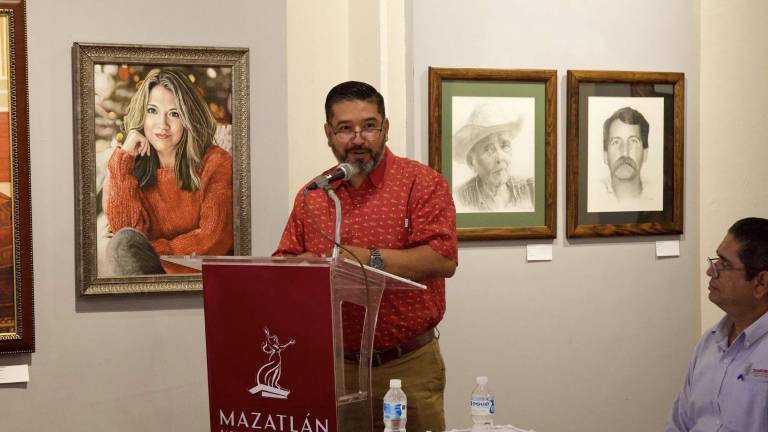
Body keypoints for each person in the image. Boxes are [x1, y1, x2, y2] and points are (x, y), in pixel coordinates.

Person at [274, 81, 458, 432]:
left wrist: (364, 259)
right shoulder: (314, 194)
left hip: (407, 365)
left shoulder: (421, 183)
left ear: (385, 128)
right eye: (345, 128)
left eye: (369, 126)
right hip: (337, 367)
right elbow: (285, 264)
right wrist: (301, 268)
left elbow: (442, 258)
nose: (358, 139)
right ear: (328, 134)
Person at [103, 68, 233, 275]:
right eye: (152, 110)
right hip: (144, 281)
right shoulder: (126, 167)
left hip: (198, 280)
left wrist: (151, 253)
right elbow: (127, 239)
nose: (162, 124)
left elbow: (213, 239)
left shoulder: (216, 162)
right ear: (142, 114)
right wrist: (123, 159)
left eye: (174, 113)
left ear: (188, 117)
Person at [666, 217, 768, 432]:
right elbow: (679, 423)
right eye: (716, 260)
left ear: (761, 283)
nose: (711, 271)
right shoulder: (709, 342)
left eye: (725, 264)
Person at [453, 103, 534, 212]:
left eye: (505, 146)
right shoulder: (458, 199)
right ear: (472, 162)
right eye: (488, 149)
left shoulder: (530, 190)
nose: (500, 157)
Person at [599, 106, 653, 205]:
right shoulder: (594, 194)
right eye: (616, 142)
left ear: (645, 152)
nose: (624, 152)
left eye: (633, 141)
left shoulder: (657, 194)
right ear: (605, 155)